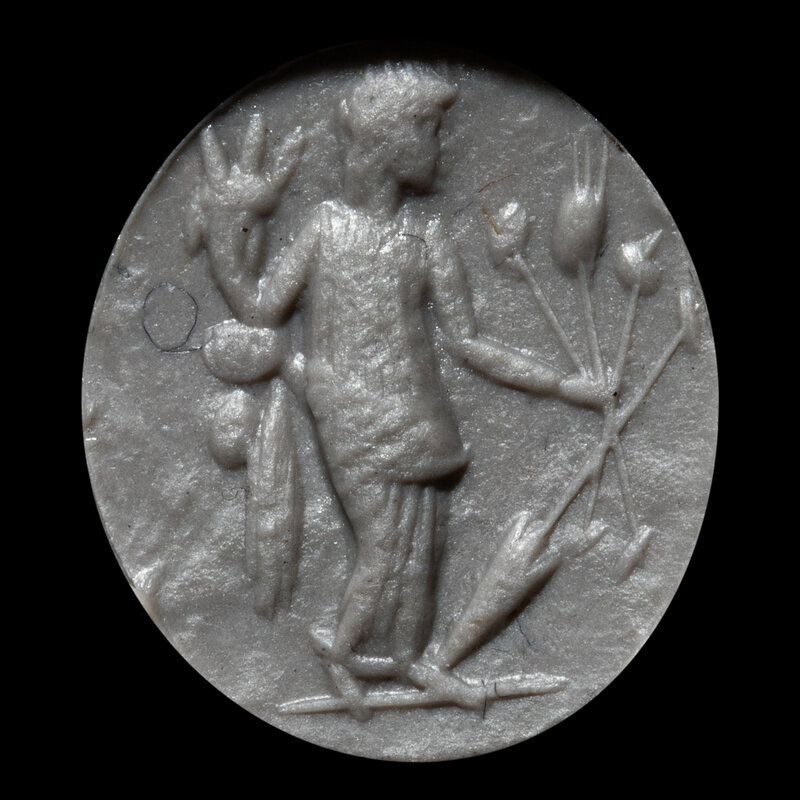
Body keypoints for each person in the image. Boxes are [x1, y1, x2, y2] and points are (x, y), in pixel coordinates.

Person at [191, 65, 603, 716]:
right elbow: (260, 308)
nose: (440, 149)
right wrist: (228, 230)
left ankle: (412, 661)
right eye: (430, 132)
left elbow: (467, 341)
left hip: (420, 417)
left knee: (424, 553)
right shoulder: (323, 227)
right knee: (384, 547)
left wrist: (562, 384)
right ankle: (342, 655)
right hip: (353, 418)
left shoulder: (426, 235)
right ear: (390, 143)